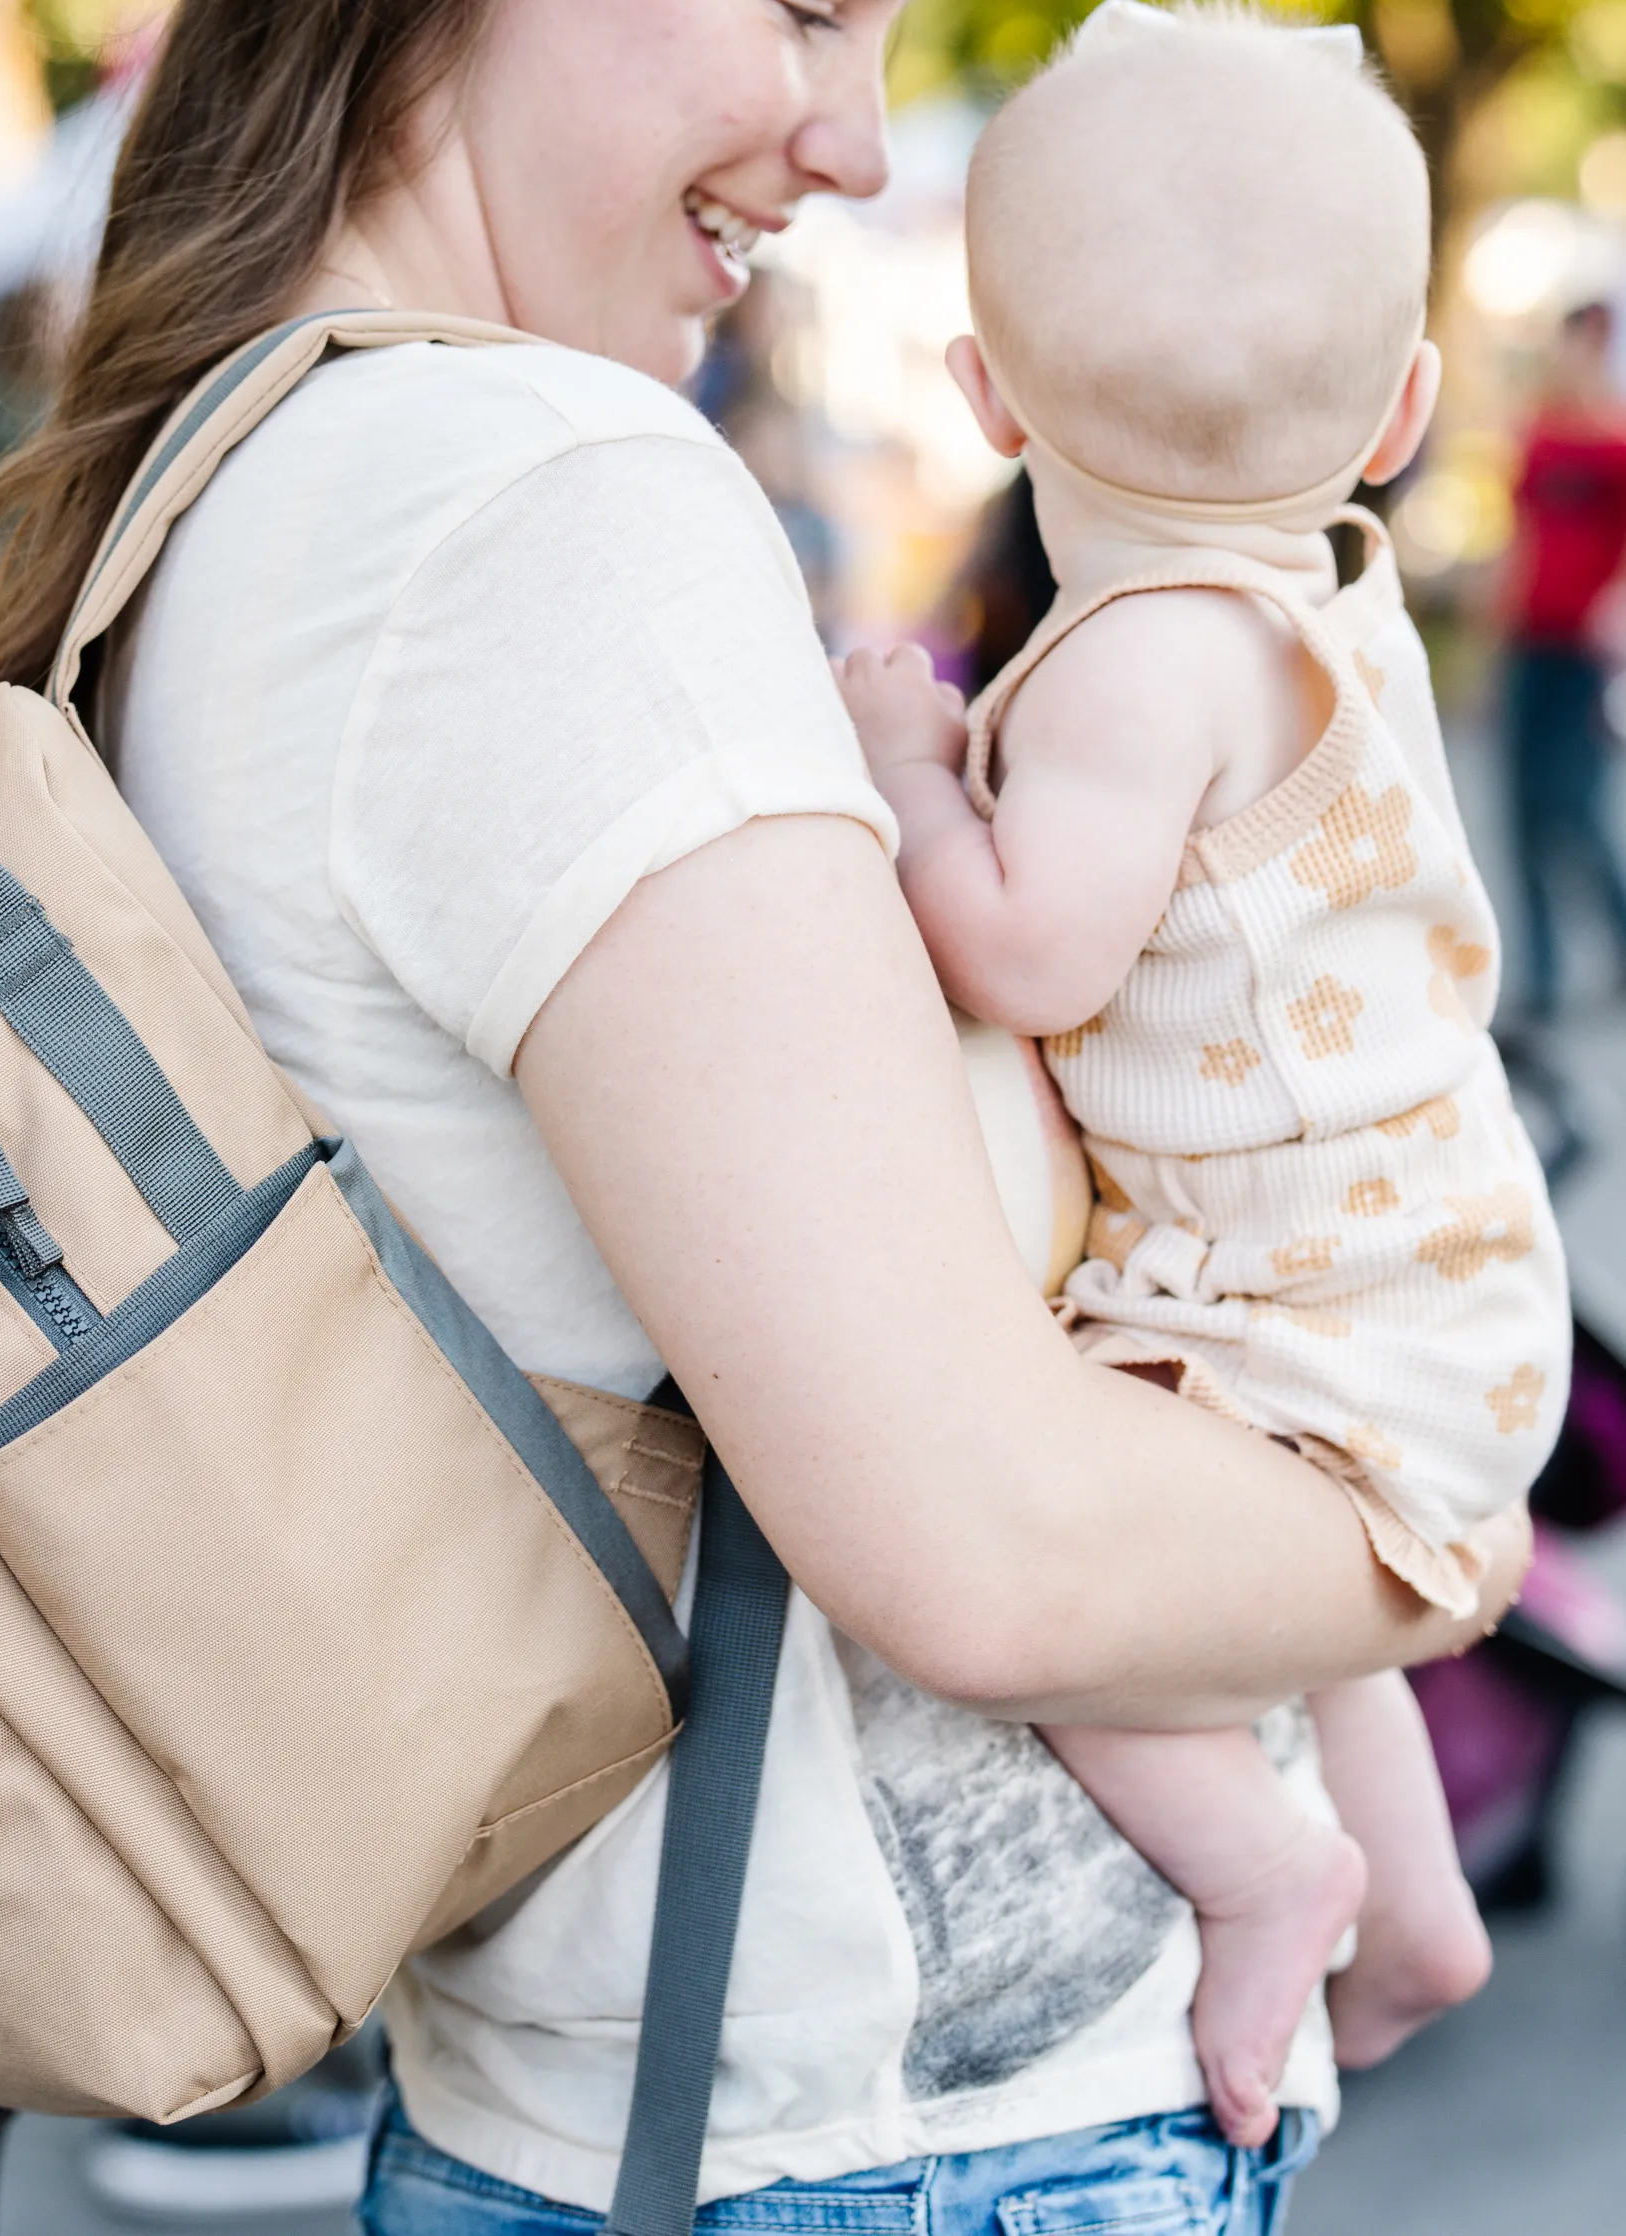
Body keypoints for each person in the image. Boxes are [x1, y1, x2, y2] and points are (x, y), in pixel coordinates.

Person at [0, 3, 1528, 2229]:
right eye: (797, 7)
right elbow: (984, 1545)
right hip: (885, 2143)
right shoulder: (546, 504)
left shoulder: (218, 478)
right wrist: (1449, 1509)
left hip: (600, 2096)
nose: (857, 142)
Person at [841, 2, 1566, 2152]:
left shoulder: (1135, 655)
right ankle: (1414, 1899)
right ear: (1404, 409)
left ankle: (1273, 1867)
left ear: (978, 402)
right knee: (1264, 1519)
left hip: (1289, 1308)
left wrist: (899, 768)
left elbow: (1023, 942)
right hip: (1409, 1299)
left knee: (1047, 1556)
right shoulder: (1326, 607)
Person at [1499, 298, 1626, 1020]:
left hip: (1585, 655)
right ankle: (1541, 975)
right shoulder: (1540, 440)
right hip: (1531, 646)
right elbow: (1518, 543)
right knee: (1521, 812)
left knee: (1572, 809)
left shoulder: (1616, 447)